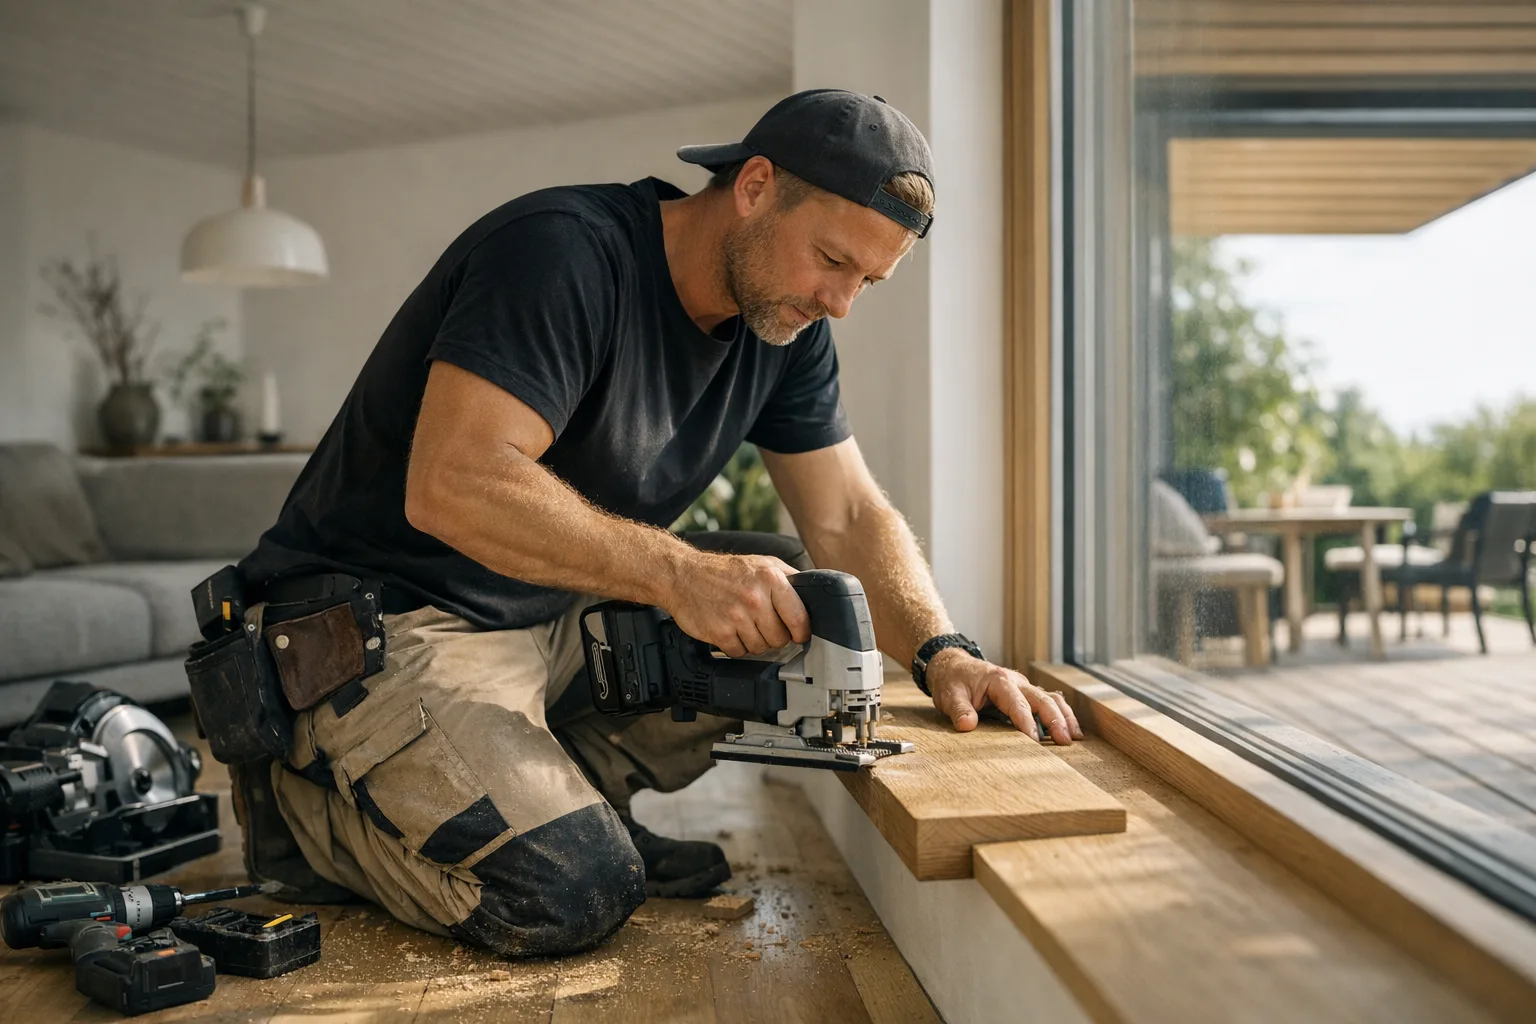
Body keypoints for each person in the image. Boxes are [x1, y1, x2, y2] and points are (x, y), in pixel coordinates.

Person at [227, 89, 1083, 959]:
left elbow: (849, 514)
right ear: (753, 186)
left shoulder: (786, 329)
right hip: (388, 622)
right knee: (570, 888)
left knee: (802, 601)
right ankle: (306, 810)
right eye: (831, 258)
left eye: (867, 278)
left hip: (541, 617)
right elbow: (452, 481)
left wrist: (947, 652)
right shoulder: (562, 252)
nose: (841, 302)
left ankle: (565, 796)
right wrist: (678, 574)